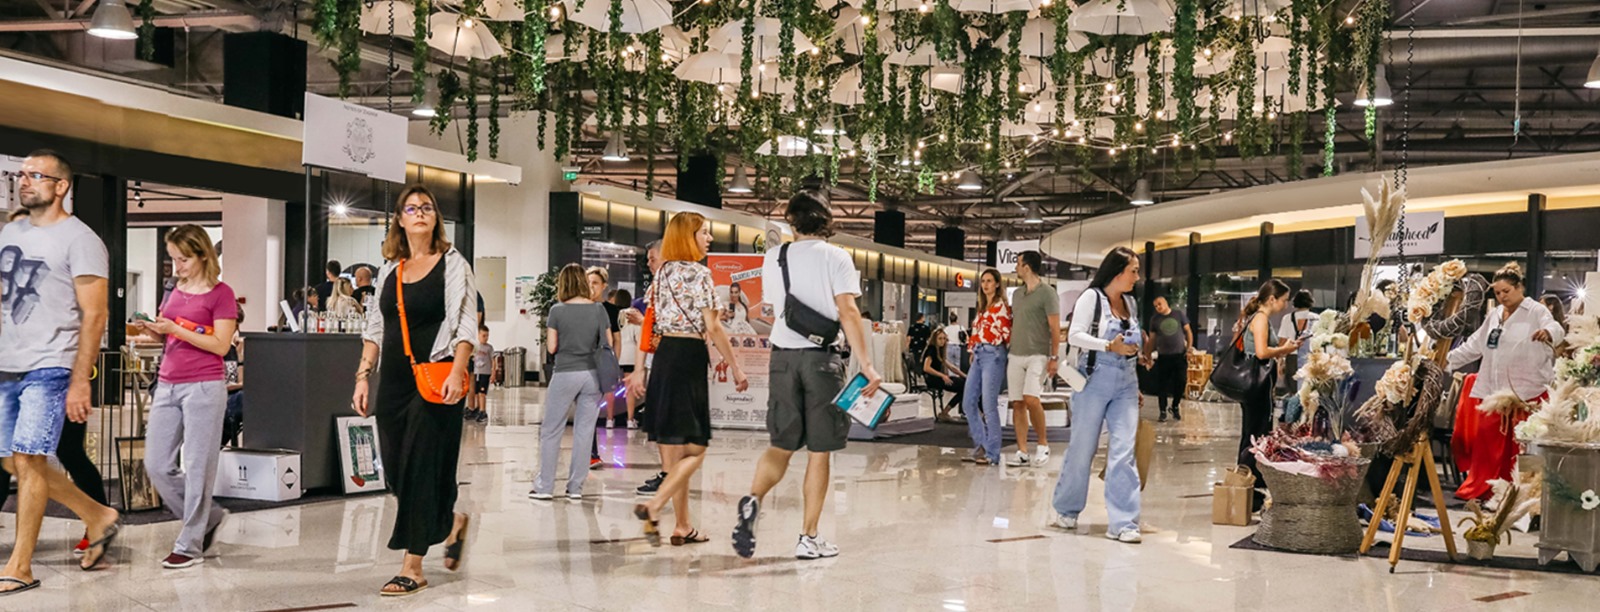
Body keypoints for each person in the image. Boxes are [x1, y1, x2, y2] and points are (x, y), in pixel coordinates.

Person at [0, 150, 123, 592]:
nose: (24, 181)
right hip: (7, 364)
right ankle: (98, 513)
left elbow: (95, 314)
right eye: (21, 174)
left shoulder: (80, 239)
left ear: (61, 186)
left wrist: (79, 381)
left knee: (30, 459)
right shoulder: (11, 232)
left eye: (35, 175)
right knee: (9, 460)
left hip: (51, 363)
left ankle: (20, 567)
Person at [731, 191, 879, 560]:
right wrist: (866, 363)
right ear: (826, 220)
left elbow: (773, 307)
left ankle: (753, 499)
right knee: (819, 451)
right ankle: (808, 537)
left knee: (781, 444)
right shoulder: (836, 257)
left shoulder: (774, 257)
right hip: (821, 363)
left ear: (792, 221)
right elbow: (848, 311)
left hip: (782, 360)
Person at [351, 185, 477, 596]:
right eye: (411, 208)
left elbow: (466, 325)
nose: (420, 213)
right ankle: (449, 521)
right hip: (395, 383)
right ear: (400, 220)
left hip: (437, 379)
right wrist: (363, 375)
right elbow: (375, 326)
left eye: (427, 207)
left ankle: (413, 565)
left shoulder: (453, 264)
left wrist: (457, 371)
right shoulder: (391, 269)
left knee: (422, 465)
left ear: (435, 217)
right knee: (396, 469)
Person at [626, 211, 748, 547]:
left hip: (664, 358)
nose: (709, 238)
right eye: (704, 232)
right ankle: (654, 506)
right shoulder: (701, 274)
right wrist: (735, 367)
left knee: (672, 454)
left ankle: (682, 525)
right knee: (696, 449)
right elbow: (713, 327)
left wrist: (640, 368)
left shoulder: (662, 273)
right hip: (689, 358)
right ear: (688, 236)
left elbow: (650, 323)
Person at [133, 224, 238, 569]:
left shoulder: (221, 294)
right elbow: (169, 337)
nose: (177, 266)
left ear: (203, 255)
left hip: (204, 386)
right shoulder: (173, 289)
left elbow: (220, 345)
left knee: (197, 466)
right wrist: (153, 331)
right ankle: (208, 518)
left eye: (183, 259)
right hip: (167, 384)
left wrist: (175, 328)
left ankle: (190, 544)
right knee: (157, 464)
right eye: (173, 259)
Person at [1049, 246, 1146, 543]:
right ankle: (1066, 509)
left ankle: (1123, 523)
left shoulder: (1130, 303)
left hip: (1126, 381)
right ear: (1117, 272)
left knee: (1124, 450)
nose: (1137, 277)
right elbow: (1075, 335)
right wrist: (1107, 346)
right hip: (1094, 380)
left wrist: (1136, 360)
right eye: (1133, 271)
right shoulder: (1091, 298)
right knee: (1082, 448)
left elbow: (1129, 343)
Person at [1447, 262, 1561, 501]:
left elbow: (1555, 327)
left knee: (1522, 447)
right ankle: (1486, 487)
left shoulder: (1535, 311)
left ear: (1520, 288)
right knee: (1488, 444)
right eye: (1498, 293)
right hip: (1495, 391)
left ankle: (1520, 493)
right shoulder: (1495, 314)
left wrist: (1548, 333)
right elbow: (1476, 344)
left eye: (1506, 291)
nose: (1502, 297)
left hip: (1526, 391)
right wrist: (1447, 360)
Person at [530, 264, 613, 501]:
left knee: (551, 430)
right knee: (584, 431)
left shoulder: (557, 310)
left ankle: (545, 487)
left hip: (565, 373)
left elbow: (552, 347)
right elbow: (607, 342)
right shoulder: (598, 309)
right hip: (592, 375)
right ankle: (576, 488)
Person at [1238, 279, 1300, 510]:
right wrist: (1285, 350)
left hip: (1259, 385)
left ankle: (1250, 488)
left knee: (1255, 433)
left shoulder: (1260, 318)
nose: (1286, 305)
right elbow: (1262, 352)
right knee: (1254, 436)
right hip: (1256, 385)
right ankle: (1249, 490)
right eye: (1284, 300)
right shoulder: (1261, 318)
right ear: (1272, 299)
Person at [1006, 250, 1060, 468]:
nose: (1016, 268)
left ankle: (1043, 444)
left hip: (1038, 354)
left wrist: (1054, 356)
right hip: (1015, 354)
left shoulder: (1048, 293)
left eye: (1018, 264)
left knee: (1031, 398)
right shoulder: (1017, 295)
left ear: (1026, 267)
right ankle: (1022, 451)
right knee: (1017, 402)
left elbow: (1054, 328)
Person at [963, 269, 1010, 465]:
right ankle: (982, 444)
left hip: (993, 354)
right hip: (978, 353)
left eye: (989, 281)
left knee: (989, 405)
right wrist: (972, 349)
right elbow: (976, 331)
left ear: (997, 284)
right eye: (983, 281)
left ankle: (993, 453)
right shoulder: (982, 308)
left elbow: (1007, 334)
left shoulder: (1002, 307)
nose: (986, 285)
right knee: (968, 402)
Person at [585, 267, 620, 466]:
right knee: (587, 408)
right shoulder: (578, 307)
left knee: (591, 408)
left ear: (604, 286)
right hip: (582, 365)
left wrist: (613, 364)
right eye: (588, 282)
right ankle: (590, 453)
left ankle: (591, 453)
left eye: (595, 283)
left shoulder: (611, 311)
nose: (591, 287)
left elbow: (616, 339)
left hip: (600, 365)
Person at [1143, 295, 1193, 422]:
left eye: (1159, 304)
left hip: (1179, 355)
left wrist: (1189, 348)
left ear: (1166, 303)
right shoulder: (1155, 320)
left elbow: (1188, 331)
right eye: (1155, 306)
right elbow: (1152, 339)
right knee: (1162, 385)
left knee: (1181, 381)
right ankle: (1163, 410)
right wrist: (1147, 355)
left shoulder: (1178, 314)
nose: (1158, 307)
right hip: (1164, 356)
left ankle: (1175, 406)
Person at [922, 329, 967, 422]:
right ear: (934, 339)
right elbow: (926, 368)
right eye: (940, 339)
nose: (942, 341)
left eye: (944, 339)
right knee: (964, 387)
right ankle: (944, 412)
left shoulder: (939, 351)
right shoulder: (932, 350)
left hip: (939, 378)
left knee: (965, 385)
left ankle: (945, 412)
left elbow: (951, 367)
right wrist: (942, 375)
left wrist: (965, 376)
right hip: (933, 379)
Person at [614, 289, 640, 428]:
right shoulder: (632, 314)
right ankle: (630, 419)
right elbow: (638, 337)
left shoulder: (613, 314)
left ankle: (610, 418)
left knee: (611, 389)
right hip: (630, 356)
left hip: (615, 355)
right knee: (629, 390)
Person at [467, 326, 492, 423]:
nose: (486, 338)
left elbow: (493, 360)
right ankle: (477, 408)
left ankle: (483, 411)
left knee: (482, 393)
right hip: (477, 372)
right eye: (483, 336)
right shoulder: (475, 347)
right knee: (476, 392)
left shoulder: (489, 348)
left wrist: (493, 372)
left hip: (485, 373)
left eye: (487, 336)